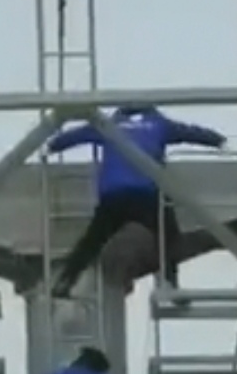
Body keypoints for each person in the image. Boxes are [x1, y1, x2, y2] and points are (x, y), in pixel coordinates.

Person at [45, 106, 226, 298]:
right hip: (146, 194)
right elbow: (191, 133)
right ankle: (170, 283)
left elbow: (76, 136)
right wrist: (217, 140)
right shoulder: (159, 124)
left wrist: (54, 145)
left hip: (114, 196)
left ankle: (66, 280)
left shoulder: (108, 124)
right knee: (169, 237)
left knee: (92, 241)